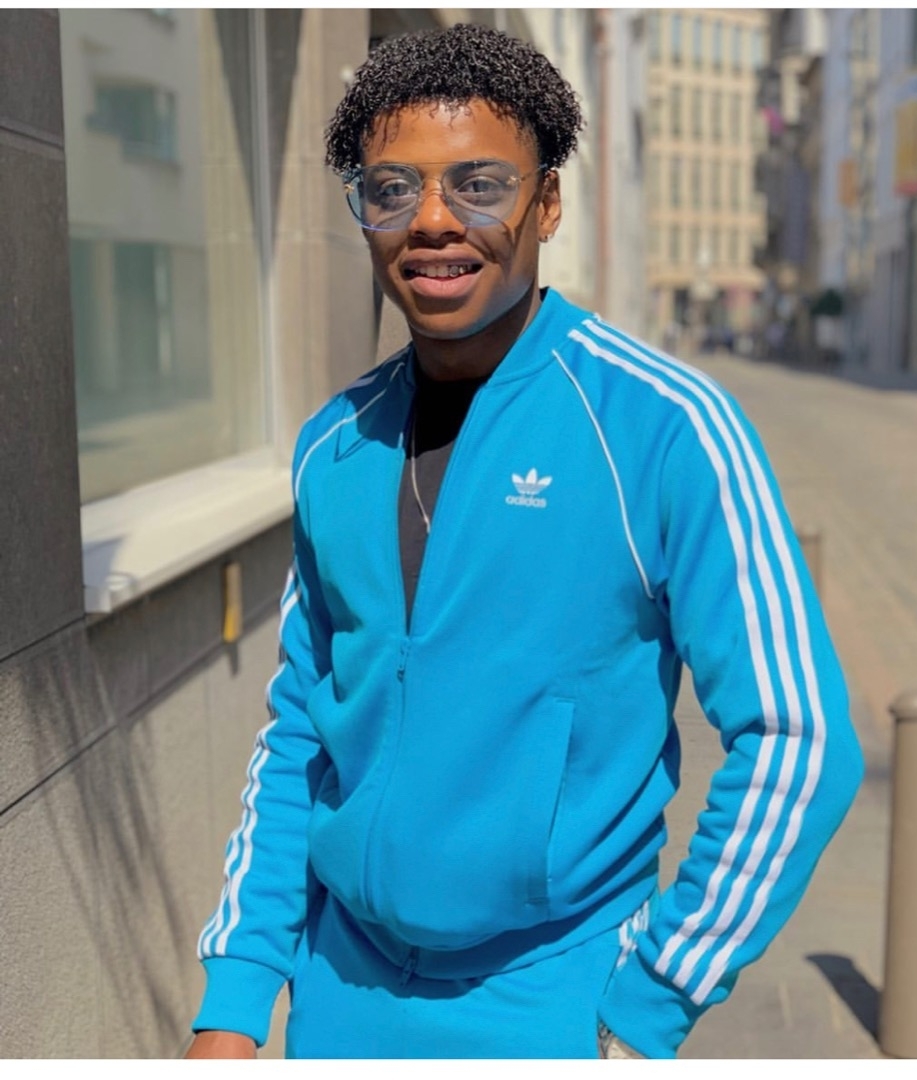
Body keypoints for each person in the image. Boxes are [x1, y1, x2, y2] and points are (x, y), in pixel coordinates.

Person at [185, 23, 863, 1060]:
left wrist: (651, 1002)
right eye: (391, 189)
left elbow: (798, 741)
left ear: (546, 203)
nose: (432, 220)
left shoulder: (662, 426)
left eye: (479, 184)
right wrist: (236, 994)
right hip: (340, 996)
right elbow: (300, 735)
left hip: (555, 1001)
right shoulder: (333, 445)